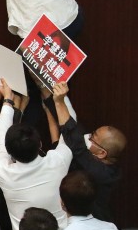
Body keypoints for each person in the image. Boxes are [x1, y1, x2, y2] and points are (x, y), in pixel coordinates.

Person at [0, 80, 73, 230]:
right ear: (40, 144)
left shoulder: (2, 172)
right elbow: (71, 131)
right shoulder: (58, 162)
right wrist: (61, 99)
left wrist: (8, 99)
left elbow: (2, 132)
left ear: (8, 151)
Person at [51, 89, 127, 222]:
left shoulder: (98, 172)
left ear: (102, 153)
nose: (87, 137)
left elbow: (76, 142)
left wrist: (59, 101)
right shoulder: (107, 165)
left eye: (92, 137)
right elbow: (76, 131)